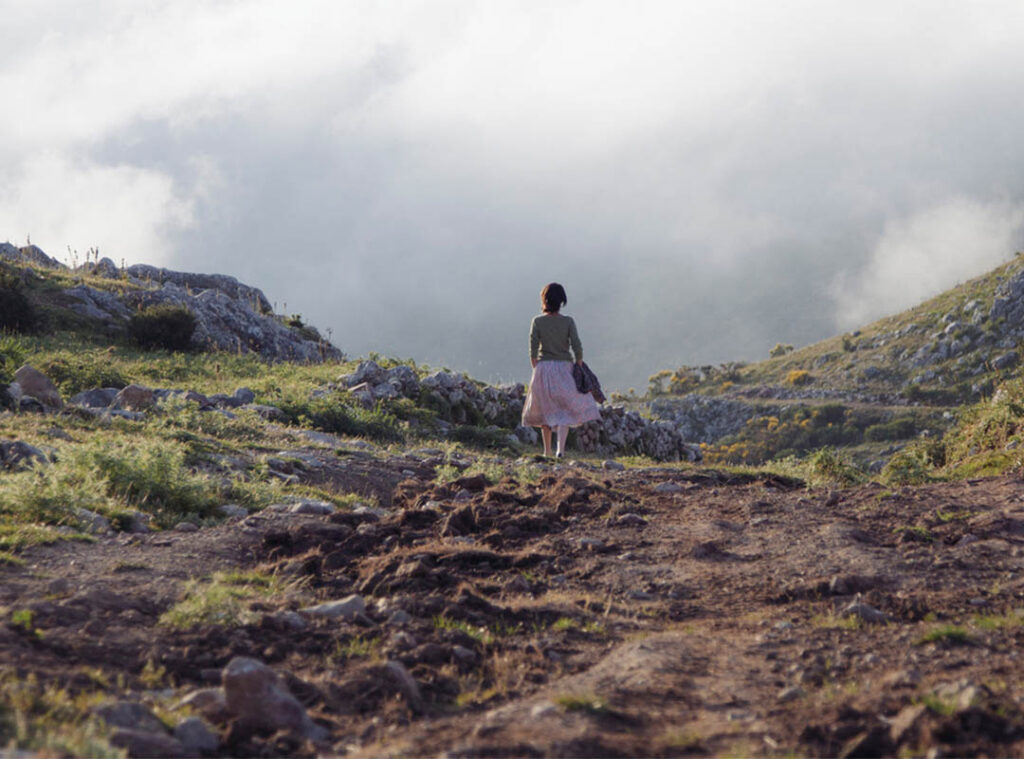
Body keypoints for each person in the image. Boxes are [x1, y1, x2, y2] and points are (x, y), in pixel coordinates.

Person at [521, 282, 600, 457]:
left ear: (545, 300)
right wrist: (578, 364)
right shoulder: (568, 321)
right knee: (564, 409)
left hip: (544, 368)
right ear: (561, 301)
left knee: (545, 410)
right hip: (565, 368)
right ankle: (560, 450)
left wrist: (536, 366)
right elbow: (577, 346)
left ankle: (546, 450)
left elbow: (532, 348)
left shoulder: (537, 321)